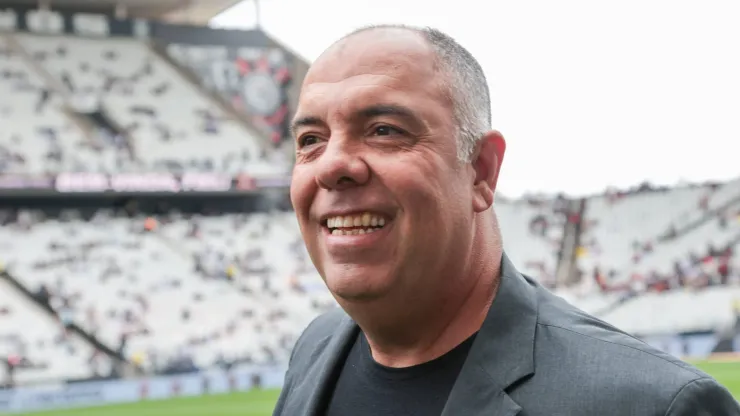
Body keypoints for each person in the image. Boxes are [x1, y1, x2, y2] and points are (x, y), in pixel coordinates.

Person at [274, 24, 740, 416]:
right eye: (311, 139)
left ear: (480, 170)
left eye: (384, 131)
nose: (333, 165)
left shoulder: (654, 404)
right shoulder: (314, 350)